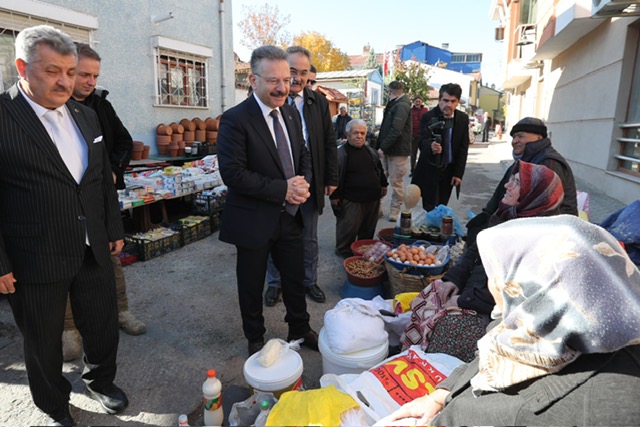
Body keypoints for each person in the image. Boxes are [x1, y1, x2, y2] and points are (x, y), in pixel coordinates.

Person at [382, 215, 640, 426]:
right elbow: (494, 349)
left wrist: (442, 413)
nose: (496, 287)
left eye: (501, 276)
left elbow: (476, 414)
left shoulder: (565, 405)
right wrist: (440, 394)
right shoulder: (555, 322)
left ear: (538, 285)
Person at [0, 25, 128, 425]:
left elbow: (99, 177)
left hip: (92, 245)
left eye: (71, 72)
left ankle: (101, 382)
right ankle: (54, 404)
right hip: (33, 254)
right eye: (53, 71)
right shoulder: (3, 117)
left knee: (103, 323)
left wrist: (113, 227)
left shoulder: (86, 115)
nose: (65, 81)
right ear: (22, 67)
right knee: (43, 340)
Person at [402, 161, 565, 362]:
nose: (507, 185)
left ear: (534, 195)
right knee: (433, 293)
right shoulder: (506, 215)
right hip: (474, 291)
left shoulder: (539, 238)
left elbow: (509, 290)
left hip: (496, 313)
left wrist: (464, 300)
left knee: (450, 328)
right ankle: (409, 355)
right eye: (510, 180)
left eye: (516, 183)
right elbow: (475, 249)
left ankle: (431, 371)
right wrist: (454, 279)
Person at [217, 45, 318, 356]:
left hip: (290, 215)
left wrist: (302, 184)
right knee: (251, 283)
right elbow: (233, 173)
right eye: (273, 80)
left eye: (286, 80)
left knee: (294, 277)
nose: (282, 87)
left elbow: (302, 153)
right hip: (253, 219)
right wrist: (283, 190)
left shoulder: (289, 112)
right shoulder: (235, 119)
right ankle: (255, 336)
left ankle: (300, 327)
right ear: (253, 79)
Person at [60, 43, 144, 361]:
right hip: (66, 204)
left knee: (111, 255)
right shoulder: (55, 107)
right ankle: (69, 330)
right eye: (84, 74)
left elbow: (124, 141)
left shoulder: (101, 106)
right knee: (67, 264)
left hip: (100, 200)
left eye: (95, 76)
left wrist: (113, 168)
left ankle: (122, 311)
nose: (90, 82)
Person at [264, 46, 338, 306]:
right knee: (275, 235)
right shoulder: (274, 99)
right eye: (292, 71)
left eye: (303, 72)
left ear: (310, 75)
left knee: (309, 237)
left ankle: (309, 280)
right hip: (279, 181)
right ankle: (275, 284)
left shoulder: (318, 102)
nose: (297, 78)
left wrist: (331, 179)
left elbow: (329, 141)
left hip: (310, 180)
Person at [466, 116, 578, 246]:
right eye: (514, 137)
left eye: (520, 136)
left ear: (538, 138)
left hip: (545, 234)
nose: (515, 141)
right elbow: (501, 191)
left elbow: (542, 211)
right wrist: (487, 214)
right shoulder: (527, 159)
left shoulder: (548, 163)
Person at [330, 119, 388, 257]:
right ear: (347, 134)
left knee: (368, 231)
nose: (359, 136)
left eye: (362, 133)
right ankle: (344, 253)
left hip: (372, 199)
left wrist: (383, 185)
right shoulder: (340, 154)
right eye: (355, 133)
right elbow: (333, 176)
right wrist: (334, 196)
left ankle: (362, 250)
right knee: (347, 230)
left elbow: (379, 169)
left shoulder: (371, 152)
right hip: (351, 200)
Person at [411, 83, 470, 212]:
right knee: (429, 210)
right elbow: (421, 141)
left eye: (453, 101)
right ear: (439, 100)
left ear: (458, 102)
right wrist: (430, 146)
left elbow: (463, 147)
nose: (448, 104)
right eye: (445, 100)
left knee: (442, 208)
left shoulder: (462, 119)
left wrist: (458, 173)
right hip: (430, 170)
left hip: (449, 172)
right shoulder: (428, 117)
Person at [377, 80, 411, 222]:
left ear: (390, 92)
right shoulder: (395, 104)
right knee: (381, 179)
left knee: (396, 182)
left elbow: (396, 130)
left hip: (397, 151)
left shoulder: (401, 105)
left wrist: (382, 147)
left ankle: (394, 211)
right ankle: (377, 208)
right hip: (390, 149)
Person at [410, 95, 428, 174]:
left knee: (424, 154)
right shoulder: (410, 111)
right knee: (413, 155)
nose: (418, 103)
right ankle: (413, 170)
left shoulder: (425, 110)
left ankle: (423, 170)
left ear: (421, 102)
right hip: (413, 136)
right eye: (416, 101)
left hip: (423, 136)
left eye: (419, 101)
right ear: (413, 102)